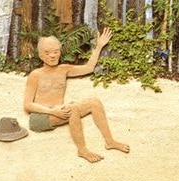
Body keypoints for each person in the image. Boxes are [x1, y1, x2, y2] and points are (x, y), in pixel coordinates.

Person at [24, 27, 129, 163]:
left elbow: (89, 68)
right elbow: (27, 105)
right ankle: (82, 149)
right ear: (41, 56)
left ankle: (110, 141)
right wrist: (53, 111)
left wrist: (99, 46)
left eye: (56, 52)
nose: (52, 55)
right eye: (48, 53)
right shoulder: (36, 75)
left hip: (60, 111)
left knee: (94, 102)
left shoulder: (64, 69)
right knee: (72, 109)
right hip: (40, 118)